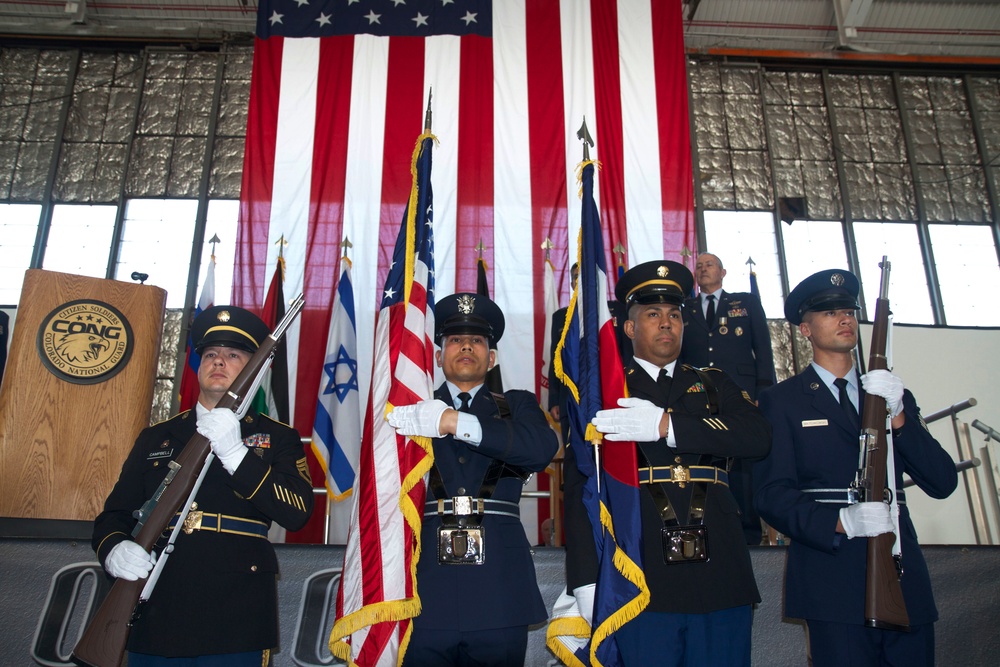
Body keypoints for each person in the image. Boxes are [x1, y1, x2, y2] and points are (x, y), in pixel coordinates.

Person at [564, 260, 772, 666]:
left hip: (720, 575)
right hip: (639, 578)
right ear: (628, 327)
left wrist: (667, 424)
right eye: (653, 314)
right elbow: (581, 489)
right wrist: (585, 580)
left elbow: (758, 437)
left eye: (675, 315)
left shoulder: (714, 383)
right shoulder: (604, 394)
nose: (666, 323)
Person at [753, 269, 958, 667]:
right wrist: (840, 521)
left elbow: (942, 480)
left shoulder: (889, 395)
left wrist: (898, 416)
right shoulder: (783, 401)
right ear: (805, 329)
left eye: (849, 310)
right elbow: (771, 495)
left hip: (901, 574)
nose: (845, 318)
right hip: (831, 578)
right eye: (830, 313)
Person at [92, 305, 314, 665]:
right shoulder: (158, 437)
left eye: (233, 355)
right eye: (211, 354)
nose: (219, 362)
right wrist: (114, 549)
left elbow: (297, 512)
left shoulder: (277, 437)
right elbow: (113, 516)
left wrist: (236, 454)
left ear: (256, 370)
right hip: (157, 604)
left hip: (235, 612)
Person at [387, 292, 559, 667]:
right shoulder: (408, 410)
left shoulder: (517, 405)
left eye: (477, 340)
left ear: (491, 357)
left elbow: (541, 447)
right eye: (454, 340)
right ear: (437, 356)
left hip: (498, 586)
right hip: (423, 587)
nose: (466, 345)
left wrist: (454, 423)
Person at [681, 251, 775, 544]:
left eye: (709, 265)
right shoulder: (686, 308)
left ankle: (748, 533)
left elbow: (763, 347)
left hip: (741, 392)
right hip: (699, 394)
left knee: (743, 462)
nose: (703, 269)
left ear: (723, 272)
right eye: (699, 266)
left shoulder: (744, 303)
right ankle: (712, 529)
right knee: (705, 455)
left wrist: (763, 393)